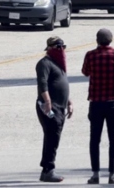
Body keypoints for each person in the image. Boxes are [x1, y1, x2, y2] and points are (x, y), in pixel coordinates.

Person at [82, 28, 114, 185]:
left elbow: (85, 72)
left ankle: (95, 174)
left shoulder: (90, 55)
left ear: (97, 40)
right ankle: (112, 174)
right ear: (111, 40)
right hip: (113, 101)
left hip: (96, 102)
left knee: (94, 138)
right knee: (113, 137)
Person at [35, 36, 74, 183]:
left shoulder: (58, 64)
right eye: (58, 47)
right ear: (50, 49)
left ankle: (47, 169)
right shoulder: (44, 63)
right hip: (49, 107)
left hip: (60, 107)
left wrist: (69, 101)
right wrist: (47, 101)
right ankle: (48, 170)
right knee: (52, 137)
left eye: (62, 47)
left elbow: (61, 85)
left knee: (53, 137)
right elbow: (42, 84)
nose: (61, 50)